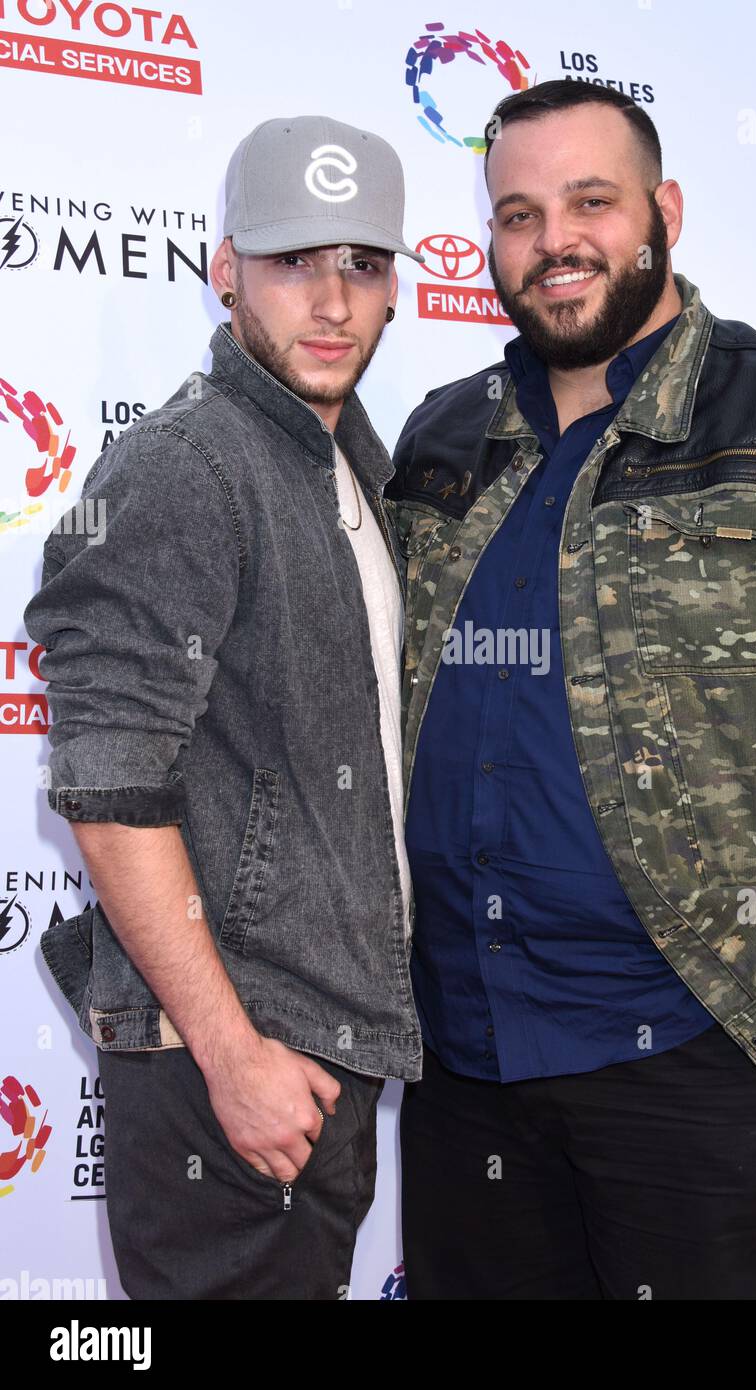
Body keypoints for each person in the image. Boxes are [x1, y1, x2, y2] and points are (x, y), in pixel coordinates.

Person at [386, 81, 756, 1300]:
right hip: (463, 1069)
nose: (553, 239)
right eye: (516, 213)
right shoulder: (440, 439)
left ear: (662, 212)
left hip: (702, 1076)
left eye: (589, 201)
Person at [24, 114, 425, 1300]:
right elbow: (109, 791)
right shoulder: (190, 465)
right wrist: (232, 1051)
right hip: (232, 1066)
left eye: (361, 263)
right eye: (296, 261)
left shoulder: (352, 462)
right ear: (225, 267)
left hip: (318, 1045)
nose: (333, 299)